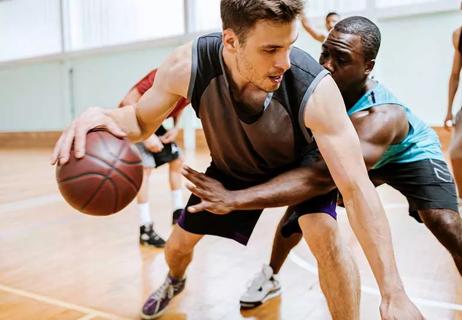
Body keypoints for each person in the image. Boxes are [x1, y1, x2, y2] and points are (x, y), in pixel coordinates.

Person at [51, 1, 422, 319]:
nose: (285, 62)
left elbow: (356, 187)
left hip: (298, 167)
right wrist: (102, 115)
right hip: (232, 170)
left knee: (325, 237)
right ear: (231, 40)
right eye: (270, 49)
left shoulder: (314, 86)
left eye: (290, 45)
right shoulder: (189, 66)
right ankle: (174, 280)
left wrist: (393, 292)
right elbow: (138, 120)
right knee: (176, 247)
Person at [182, 16, 462, 310]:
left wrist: (234, 199)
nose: (327, 64)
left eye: (340, 59)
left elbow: (320, 177)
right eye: (325, 53)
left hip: (409, 156)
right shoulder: (313, 88)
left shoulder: (379, 116)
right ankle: (270, 275)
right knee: (299, 217)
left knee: (444, 224)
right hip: (352, 157)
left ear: (368, 67)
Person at [119, 69, 189, 248]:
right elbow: (128, 101)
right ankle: (145, 229)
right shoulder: (162, 75)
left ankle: (178, 211)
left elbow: (180, 106)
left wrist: (175, 127)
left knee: (177, 160)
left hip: (152, 122)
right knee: (145, 168)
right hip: (131, 119)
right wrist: (147, 137)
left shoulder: (193, 84)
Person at [445, 2, 462, 203]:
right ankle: (460, 198)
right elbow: (455, 75)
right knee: (457, 150)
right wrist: (449, 110)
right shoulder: (458, 35)